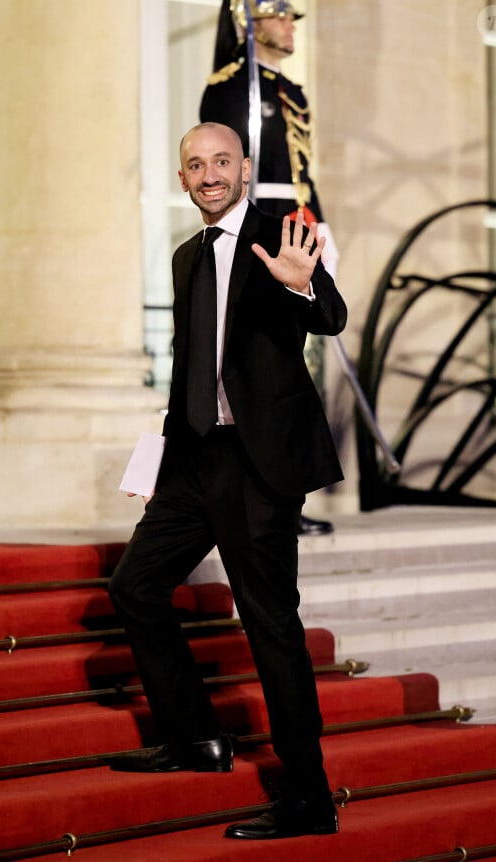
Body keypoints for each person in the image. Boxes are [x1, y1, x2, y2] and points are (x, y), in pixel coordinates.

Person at [108, 122, 346, 841]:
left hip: (259, 462)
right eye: (194, 165)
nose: (208, 174)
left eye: (220, 161)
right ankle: (194, 738)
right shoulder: (186, 256)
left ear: (244, 168)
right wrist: (160, 461)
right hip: (194, 460)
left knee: (271, 626)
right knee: (135, 587)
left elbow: (330, 316)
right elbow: (192, 366)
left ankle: (308, 799)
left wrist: (303, 289)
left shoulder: (282, 234)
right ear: (182, 180)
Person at [200, 0, 340, 536]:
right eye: (280, 17)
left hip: (294, 229)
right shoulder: (233, 86)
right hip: (260, 234)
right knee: (262, 368)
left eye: (291, 18)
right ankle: (260, 491)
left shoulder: (291, 91)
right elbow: (226, 171)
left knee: (288, 372)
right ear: (250, 25)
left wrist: (320, 227)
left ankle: (287, 493)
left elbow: (301, 171)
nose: (289, 26)